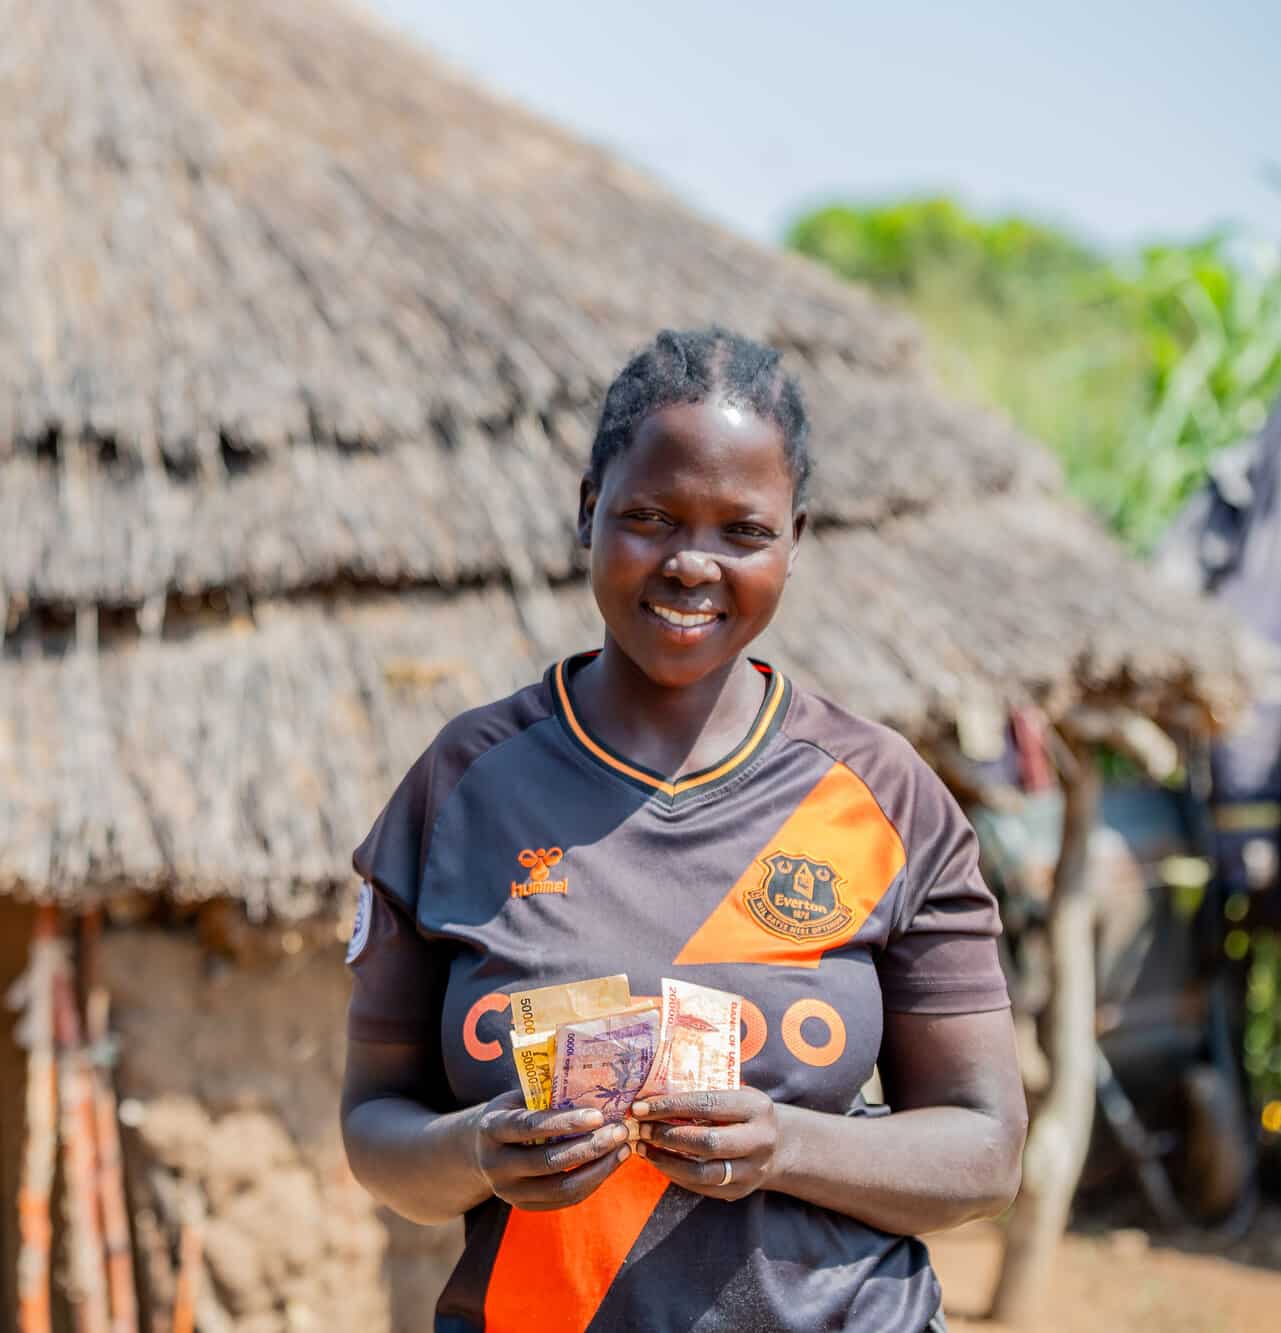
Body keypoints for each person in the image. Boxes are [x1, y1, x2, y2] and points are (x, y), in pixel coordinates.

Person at [339, 328, 1027, 1332]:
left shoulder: (882, 793)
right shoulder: (464, 787)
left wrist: (783, 1144)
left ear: (796, 535)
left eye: (741, 531)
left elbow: (984, 1148)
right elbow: (372, 1123)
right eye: (649, 518)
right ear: (588, 510)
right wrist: (476, 1148)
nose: (690, 564)